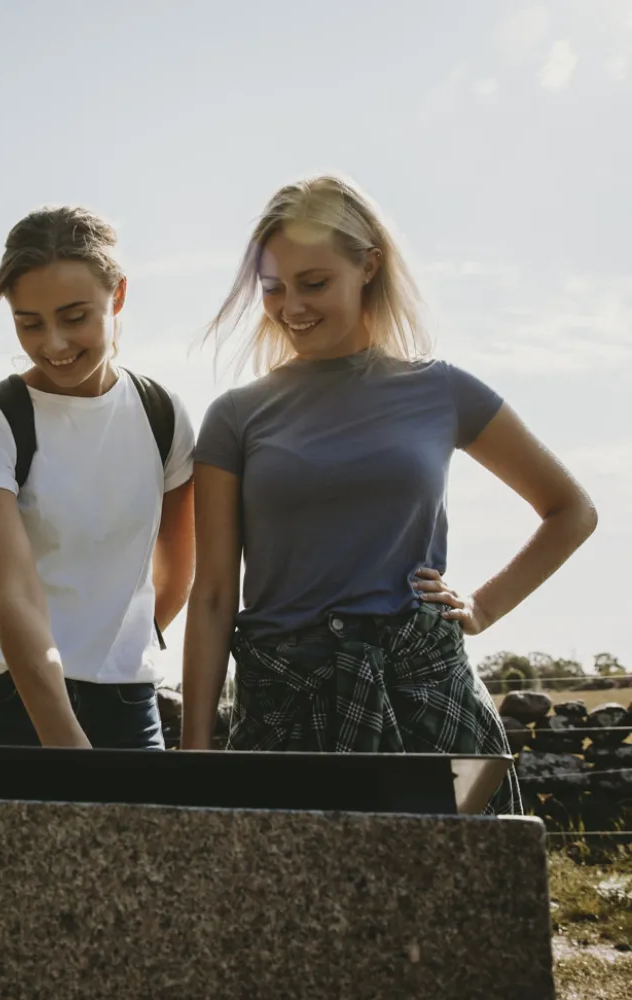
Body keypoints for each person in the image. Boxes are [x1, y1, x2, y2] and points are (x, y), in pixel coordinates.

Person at [181, 175, 597, 812]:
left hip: (428, 701)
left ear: (368, 265)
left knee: (462, 879)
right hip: (286, 710)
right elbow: (212, 594)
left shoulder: (444, 391)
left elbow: (571, 511)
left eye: (314, 282)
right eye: (273, 287)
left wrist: (483, 607)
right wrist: (195, 750)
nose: (291, 306)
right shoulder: (235, 416)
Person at [0, 205, 196, 749]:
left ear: (118, 296)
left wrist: (111, 648)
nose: (53, 343)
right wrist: (71, 750)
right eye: (29, 323)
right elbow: (14, 596)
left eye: (75, 318)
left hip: (128, 707)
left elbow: (176, 575)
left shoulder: (163, 415)